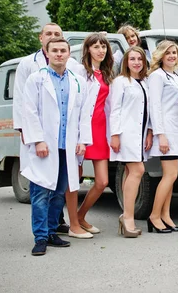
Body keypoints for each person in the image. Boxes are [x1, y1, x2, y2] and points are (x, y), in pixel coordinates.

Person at [21, 38, 92, 256]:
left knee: (60, 192)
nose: (59, 54)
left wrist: (82, 140)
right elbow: (29, 111)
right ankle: (40, 237)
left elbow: (83, 114)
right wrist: (38, 140)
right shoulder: (36, 79)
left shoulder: (77, 81)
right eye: (55, 51)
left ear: (69, 54)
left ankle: (52, 232)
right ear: (47, 53)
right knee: (41, 193)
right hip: (45, 147)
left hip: (67, 147)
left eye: (63, 50)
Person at [13, 23, 78, 235]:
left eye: (57, 35)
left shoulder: (73, 72)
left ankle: (54, 227)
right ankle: (41, 235)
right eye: (49, 34)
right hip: (39, 137)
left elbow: (80, 108)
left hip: (63, 140)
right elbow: (23, 103)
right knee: (41, 186)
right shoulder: (28, 66)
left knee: (59, 188)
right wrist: (27, 132)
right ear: (42, 38)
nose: (53, 37)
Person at [70, 33, 114, 239]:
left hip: (100, 131)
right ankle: (71, 223)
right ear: (87, 49)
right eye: (96, 46)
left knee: (102, 181)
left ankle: (80, 216)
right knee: (74, 179)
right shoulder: (78, 70)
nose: (100, 50)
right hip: (80, 130)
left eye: (103, 46)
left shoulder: (106, 74)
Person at [110, 47, 153, 238]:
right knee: (138, 170)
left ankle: (126, 217)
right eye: (132, 59)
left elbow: (148, 110)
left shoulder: (144, 82)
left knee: (131, 172)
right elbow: (115, 109)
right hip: (126, 134)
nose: (136, 62)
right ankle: (128, 217)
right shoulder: (121, 82)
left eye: (140, 59)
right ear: (126, 62)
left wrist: (150, 132)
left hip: (140, 135)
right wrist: (115, 134)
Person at [146, 41, 178, 233]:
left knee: (171, 176)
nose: (172, 56)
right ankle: (154, 216)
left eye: (175, 53)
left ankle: (166, 215)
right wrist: (160, 135)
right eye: (168, 52)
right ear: (161, 55)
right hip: (166, 132)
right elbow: (155, 107)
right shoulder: (156, 76)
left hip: (177, 131)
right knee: (170, 175)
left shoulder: (176, 76)